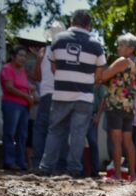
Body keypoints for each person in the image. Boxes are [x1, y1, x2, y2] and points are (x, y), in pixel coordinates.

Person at [38, 10, 106, 177]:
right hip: (84, 96)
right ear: (88, 25)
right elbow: (99, 74)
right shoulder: (95, 44)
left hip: (61, 93)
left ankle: (46, 167)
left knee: (55, 131)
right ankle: (74, 169)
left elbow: (54, 68)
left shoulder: (58, 40)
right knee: (79, 133)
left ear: (71, 21)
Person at [101, 33, 136, 181]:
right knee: (128, 141)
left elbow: (104, 76)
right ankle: (133, 175)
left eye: (121, 45)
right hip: (129, 107)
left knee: (116, 141)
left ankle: (117, 175)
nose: (118, 48)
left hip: (116, 104)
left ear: (131, 48)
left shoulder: (122, 61)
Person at [31, 22, 65, 171]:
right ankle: (56, 166)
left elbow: (37, 77)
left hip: (47, 95)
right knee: (58, 130)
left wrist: (38, 60)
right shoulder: (64, 50)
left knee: (41, 130)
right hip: (58, 95)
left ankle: (40, 164)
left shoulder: (44, 51)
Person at [0, 46, 35, 171]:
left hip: (24, 106)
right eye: (20, 55)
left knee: (22, 135)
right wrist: (26, 95)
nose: (23, 58)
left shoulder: (23, 71)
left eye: (25, 56)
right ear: (13, 56)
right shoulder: (7, 68)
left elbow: (25, 86)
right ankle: (9, 161)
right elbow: (9, 87)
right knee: (10, 133)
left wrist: (30, 91)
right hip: (11, 104)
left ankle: (21, 162)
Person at [85, 83, 106, 177]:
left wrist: (98, 116)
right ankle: (79, 170)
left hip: (92, 116)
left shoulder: (100, 84)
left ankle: (95, 170)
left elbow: (103, 100)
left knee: (93, 142)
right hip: (79, 114)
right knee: (77, 142)